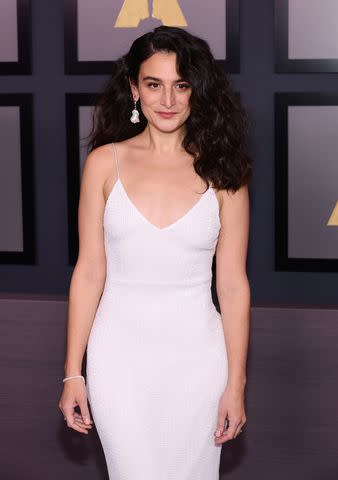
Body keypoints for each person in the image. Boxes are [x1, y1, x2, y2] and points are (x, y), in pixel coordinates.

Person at [59, 25, 252, 480]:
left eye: (181, 85)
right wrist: (73, 373)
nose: (167, 99)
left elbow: (232, 285)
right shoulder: (105, 162)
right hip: (118, 359)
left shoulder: (224, 170)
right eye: (154, 84)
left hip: (198, 362)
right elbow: (89, 272)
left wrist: (236, 384)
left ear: (197, 92)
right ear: (133, 88)